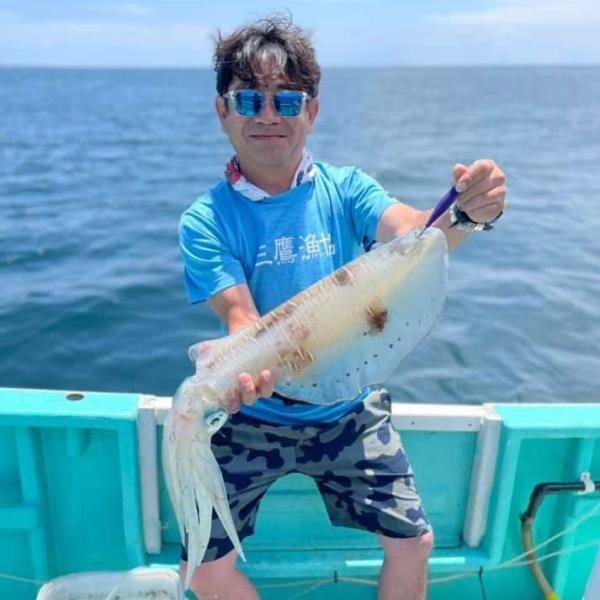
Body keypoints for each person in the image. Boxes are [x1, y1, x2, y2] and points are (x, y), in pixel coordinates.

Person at [178, 16, 506, 600]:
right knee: (203, 572)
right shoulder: (205, 220)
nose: (268, 115)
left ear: (312, 111)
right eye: (249, 99)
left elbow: (414, 237)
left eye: (287, 100)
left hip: (349, 408)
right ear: (222, 110)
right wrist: (241, 375)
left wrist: (466, 213)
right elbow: (241, 320)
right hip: (256, 413)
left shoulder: (348, 188)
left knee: (415, 543)